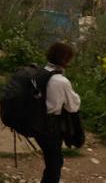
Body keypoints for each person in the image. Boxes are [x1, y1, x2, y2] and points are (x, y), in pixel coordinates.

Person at [39, 42, 81, 183]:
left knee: (52, 160)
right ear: (65, 60)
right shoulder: (61, 81)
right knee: (55, 164)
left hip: (35, 121)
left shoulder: (40, 72)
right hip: (50, 127)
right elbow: (73, 106)